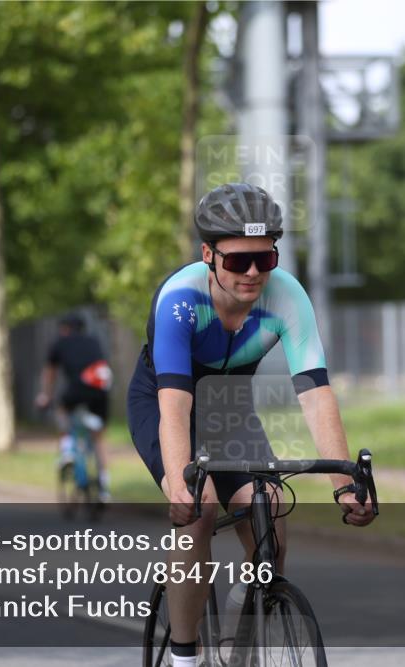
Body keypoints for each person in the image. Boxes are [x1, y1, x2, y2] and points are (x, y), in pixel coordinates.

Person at [127, 182, 375, 666]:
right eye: (239, 261)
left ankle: (244, 619)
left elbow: (316, 393)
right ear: (208, 255)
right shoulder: (179, 299)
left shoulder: (287, 297)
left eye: (266, 258)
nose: (255, 272)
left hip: (227, 406)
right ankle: (184, 656)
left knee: (272, 514)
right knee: (198, 509)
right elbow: (175, 407)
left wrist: (345, 484)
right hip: (165, 398)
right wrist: (181, 483)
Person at [35, 314, 113, 502]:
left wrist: (45, 396)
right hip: (99, 391)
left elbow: (50, 373)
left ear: (65, 329)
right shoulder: (93, 341)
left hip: (75, 391)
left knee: (63, 411)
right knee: (98, 436)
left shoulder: (60, 342)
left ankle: (68, 449)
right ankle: (103, 486)